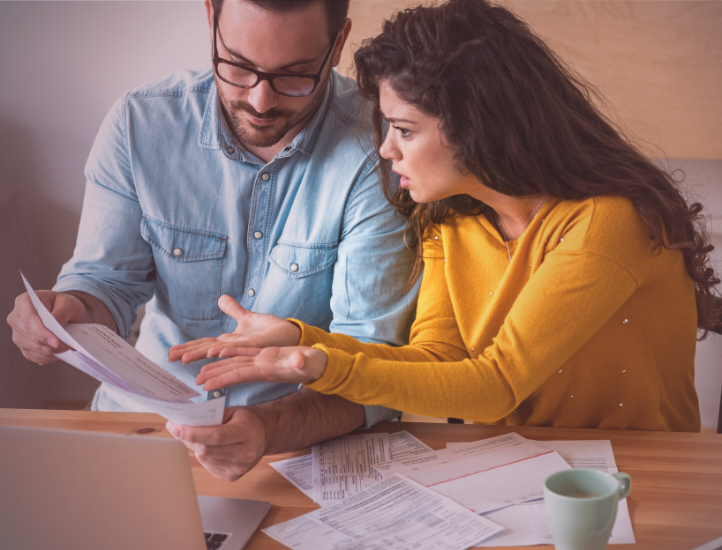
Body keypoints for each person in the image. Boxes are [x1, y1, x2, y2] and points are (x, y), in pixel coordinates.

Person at [173, 0, 721, 432]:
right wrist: (298, 338)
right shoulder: (451, 219)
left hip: (638, 474)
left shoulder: (606, 222)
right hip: (524, 467)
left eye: (405, 130)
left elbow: (495, 385)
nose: (386, 150)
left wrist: (322, 367)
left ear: (477, 127)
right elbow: (436, 358)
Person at [5, 0, 418, 481]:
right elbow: (105, 284)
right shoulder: (139, 124)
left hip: (300, 447)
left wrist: (266, 428)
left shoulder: (381, 149)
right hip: (145, 427)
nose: (261, 102)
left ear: (338, 43)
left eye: (295, 75)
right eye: (238, 68)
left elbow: (373, 365)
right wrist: (70, 310)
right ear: (210, 20)